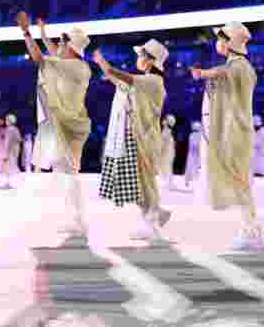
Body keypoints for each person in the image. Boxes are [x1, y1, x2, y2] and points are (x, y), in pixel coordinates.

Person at [190, 22, 264, 252]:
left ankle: (251, 232)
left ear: (230, 42)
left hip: (236, 133)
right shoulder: (235, 66)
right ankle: (249, 230)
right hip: (231, 133)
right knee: (240, 182)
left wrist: (203, 73)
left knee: (241, 184)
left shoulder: (240, 67)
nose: (218, 43)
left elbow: (224, 72)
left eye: (222, 38)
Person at [20, 15, 92, 237]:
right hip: (67, 124)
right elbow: (52, 53)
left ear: (70, 47)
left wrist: (26, 32)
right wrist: (42, 33)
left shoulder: (75, 67)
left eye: (62, 43)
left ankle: (77, 220)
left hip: (70, 125)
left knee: (68, 173)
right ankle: (74, 218)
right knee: (64, 172)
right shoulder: (73, 65)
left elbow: (40, 58)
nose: (58, 45)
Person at [93, 40, 172, 243]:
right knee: (138, 182)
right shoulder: (144, 81)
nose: (139, 58)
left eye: (142, 55)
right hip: (135, 136)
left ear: (151, 60)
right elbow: (116, 80)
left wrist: (104, 63)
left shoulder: (153, 81)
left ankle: (151, 223)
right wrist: (104, 66)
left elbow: (119, 76)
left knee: (144, 182)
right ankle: (156, 214)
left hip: (144, 137)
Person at [159, 115, 177, 190]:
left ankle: (168, 183)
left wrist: (161, 151)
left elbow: (164, 143)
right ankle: (169, 183)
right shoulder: (168, 131)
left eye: (165, 120)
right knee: (168, 167)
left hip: (167, 152)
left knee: (167, 167)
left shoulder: (166, 131)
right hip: (169, 152)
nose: (163, 121)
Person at [184, 122, 203, 190]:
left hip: (192, 153)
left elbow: (193, 146)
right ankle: (189, 180)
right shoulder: (197, 136)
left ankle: (188, 181)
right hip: (194, 154)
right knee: (194, 168)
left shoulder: (192, 135)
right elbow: (196, 146)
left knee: (190, 167)